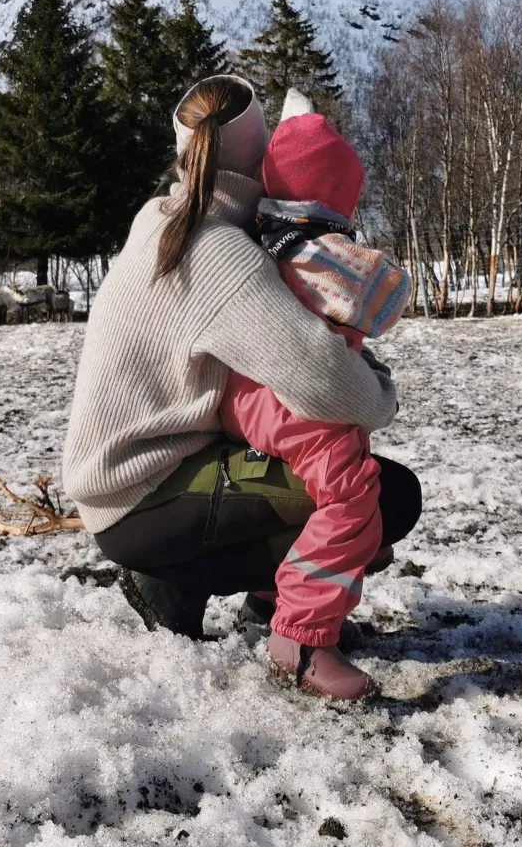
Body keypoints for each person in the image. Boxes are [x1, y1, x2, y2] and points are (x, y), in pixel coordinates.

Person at [61, 75, 422, 699]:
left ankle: (224, 591)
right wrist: (381, 391)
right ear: (265, 157)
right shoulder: (220, 251)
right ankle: (231, 605)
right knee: (386, 496)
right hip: (146, 496)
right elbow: (326, 380)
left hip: (124, 481)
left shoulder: (163, 219)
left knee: (313, 467)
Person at [219, 89, 411, 699]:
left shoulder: (257, 238)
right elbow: (385, 301)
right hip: (295, 401)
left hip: (250, 397)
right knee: (352, 494)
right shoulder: (315, 248)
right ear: (333, 191)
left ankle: (271, 595)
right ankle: (300, 638)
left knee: (306, 491)